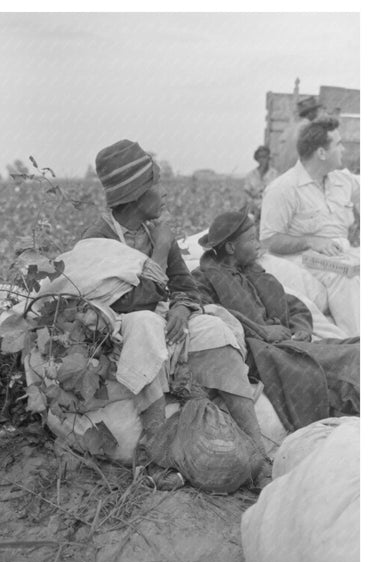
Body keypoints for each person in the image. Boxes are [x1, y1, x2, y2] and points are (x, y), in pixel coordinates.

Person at [81, 139, 267, 488]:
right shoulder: (99, 238)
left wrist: (182, 306)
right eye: (157, 187)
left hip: (164, 324)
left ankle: (257, 448)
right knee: (145, 322)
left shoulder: (154, 231)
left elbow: (185, 284)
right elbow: (126, 302)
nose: (165, 195)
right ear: (137, 195)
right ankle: (154, 451)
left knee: (213, 327)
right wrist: (164, 248)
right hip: (120, 334)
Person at [192, 207, 359, 432]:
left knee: (357, 345)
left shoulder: (255, 272)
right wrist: (262, 331)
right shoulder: (203, 279)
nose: (258, 243)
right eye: (251, 239)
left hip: (290, 343)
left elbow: (294, 305)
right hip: (267, 354)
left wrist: (302, 329)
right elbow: (216, 315)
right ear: (231, 247)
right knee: (354, 359)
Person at [260, 116, 360, 337]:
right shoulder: (283, 188)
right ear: (322, 153)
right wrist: (311, 240)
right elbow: (269, 241)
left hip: (340, 252)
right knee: (345, 275)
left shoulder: (342, 180)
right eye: (339, 144)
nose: (344, 148)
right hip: (305, 258)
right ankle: (357, 342)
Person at [277, 95, 322, 173]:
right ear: (310, 112)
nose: (317, 113)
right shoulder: (308, 127)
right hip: (301, 169)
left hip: (290, 169)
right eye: (315, 110)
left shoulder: (293, 128)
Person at [243, 145, 278, 225]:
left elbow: (277, 194)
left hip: (270, 209)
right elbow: (246, 193)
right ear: (257, 159)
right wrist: (253, 205)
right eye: (260, 157)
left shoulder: (274, 174)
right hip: (253, 208)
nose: (262, 160)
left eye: (265, 157)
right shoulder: (251, 175)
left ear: (268, 158)